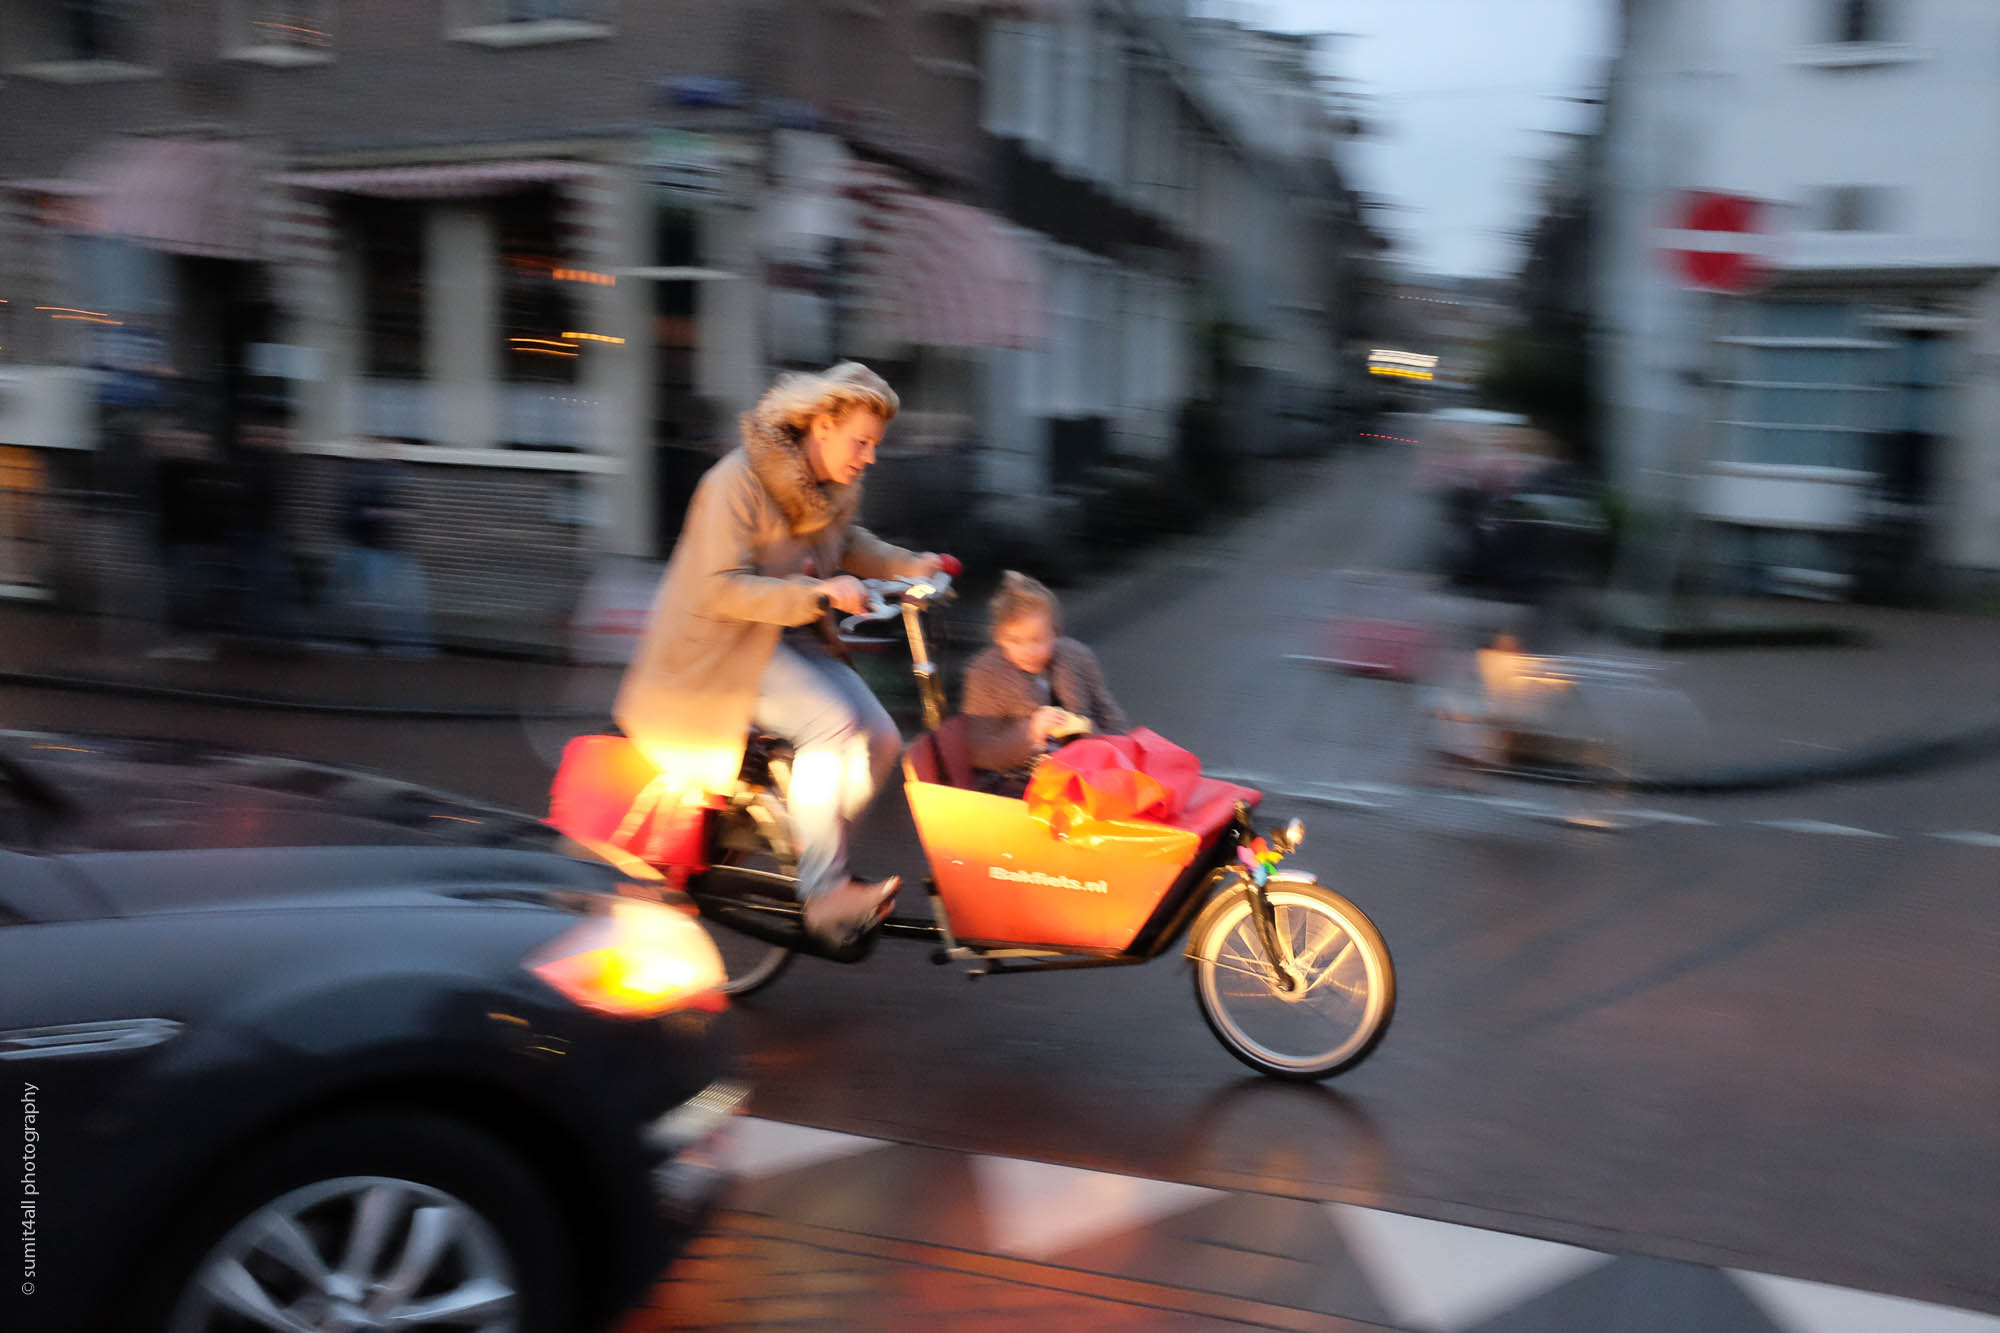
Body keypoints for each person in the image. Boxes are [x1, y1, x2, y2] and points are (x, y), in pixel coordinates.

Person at [614, 362, 942, 946]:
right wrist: (816, 592)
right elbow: (719, 588)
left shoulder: (829, 485)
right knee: (832, 729)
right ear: (820, 425)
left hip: (788, 632)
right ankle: (824, 893)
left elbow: (848, 544)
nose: (868, 457)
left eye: (874, 446)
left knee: (884, 737)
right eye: (860, 442)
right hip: (723, 646)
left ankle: (817, 848)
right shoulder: (735, 482)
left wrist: (907, 564)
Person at [959, 570, 1128, 797]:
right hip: (1019, 782)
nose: (1028, 651)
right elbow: (981, 753)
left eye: (1037, 640)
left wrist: (1090, 731)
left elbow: (1111, 719)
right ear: (998, 638)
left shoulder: (1077, 658)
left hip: (1085, 770)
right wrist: (1030, 732)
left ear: (1054, 636)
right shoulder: (985, 676)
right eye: (1014, 640)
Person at [333, 437, 437, 658]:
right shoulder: (366, 478)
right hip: (371, 548)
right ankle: (393, 646)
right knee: (379, 599)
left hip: (378, 548)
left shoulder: (374, 476)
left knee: (368, 598)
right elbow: (360, 512)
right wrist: (391, 513)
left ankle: (369, 643)